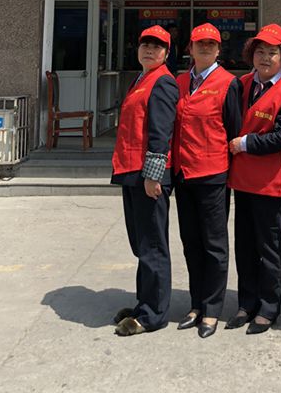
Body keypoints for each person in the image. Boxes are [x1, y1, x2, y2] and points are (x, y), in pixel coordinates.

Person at [226, 24, 281, 335]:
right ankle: (247, 303)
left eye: (272, 52)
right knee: (244, 245)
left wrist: (245, 143)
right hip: (242, 180)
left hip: (271, 182)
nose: (265, 58)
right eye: (260, 52)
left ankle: (269, 307)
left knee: (269, 247)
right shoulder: (241, 85)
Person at [172, 23, 242, 339]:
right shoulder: (179, 81)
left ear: (218, 50)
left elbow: (233, 129)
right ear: (190, 48)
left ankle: (212, 309)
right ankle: (196, 304)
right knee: (191, 243)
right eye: (199, 43)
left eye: (210, 44)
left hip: (212, 174)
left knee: (214, 245)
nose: (205, 48)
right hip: (184, 174)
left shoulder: (228, 83)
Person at [111, 25, 179, 336]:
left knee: (152, 245)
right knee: (141, 244)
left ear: (166, 53)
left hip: (148, 177)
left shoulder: (163, 82)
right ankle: (143, 303)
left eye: (157, 46)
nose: (149, 50)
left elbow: (161, 133)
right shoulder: (141, 80)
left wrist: (154, 176)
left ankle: (153, 315)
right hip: (131, 172)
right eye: (145, 45)